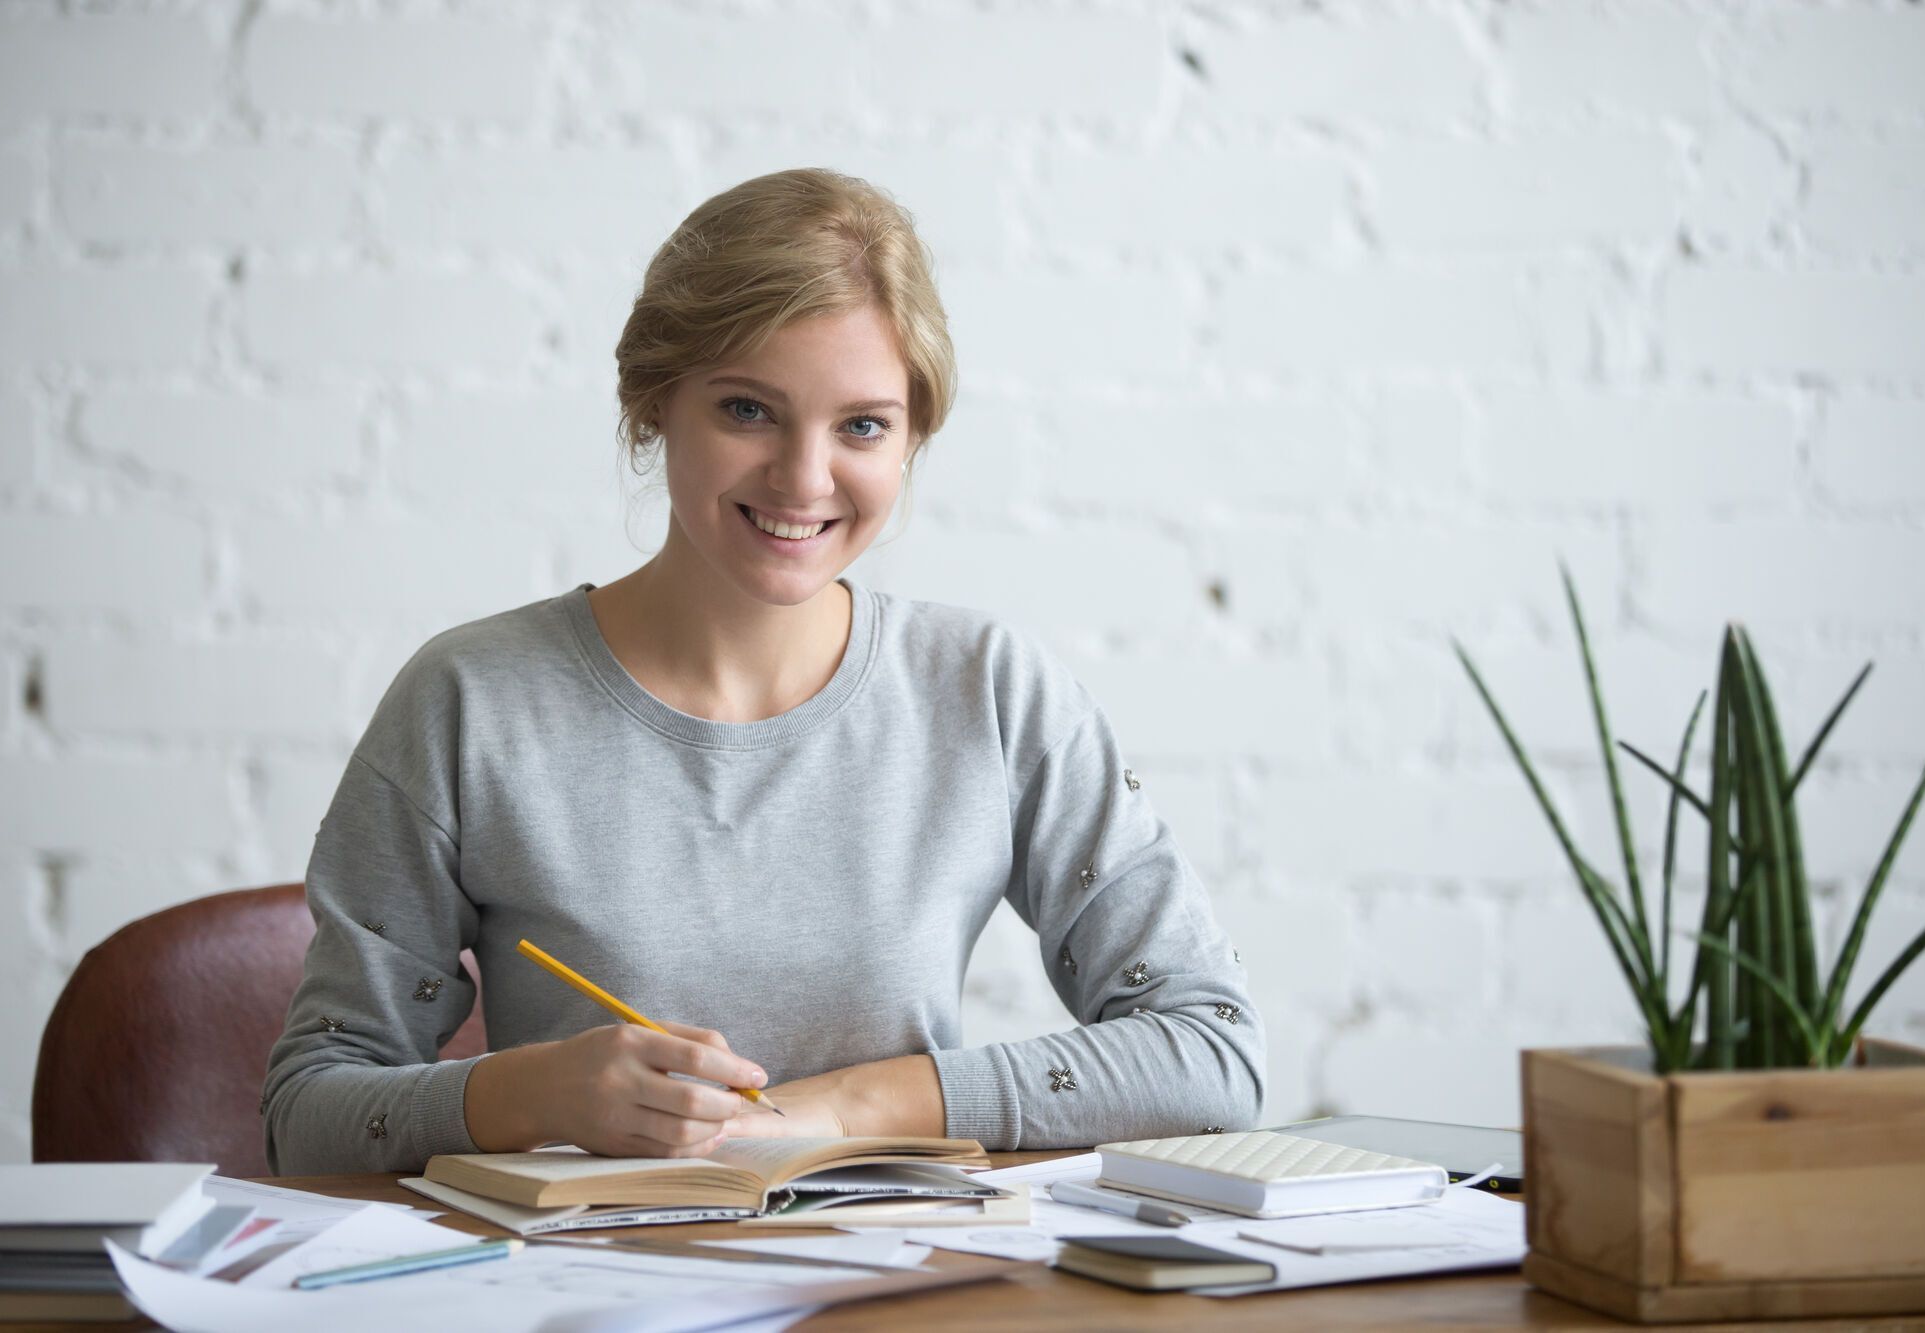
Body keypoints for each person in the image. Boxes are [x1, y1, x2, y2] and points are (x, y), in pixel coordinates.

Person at [262, 167, 1268, 1174]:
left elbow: (1210, 1050)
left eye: (862, 425)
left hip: (912, 1292)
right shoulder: (468, 702)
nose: (802, 478)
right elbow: (308, 1108)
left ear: (912, 433)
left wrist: (849, 1106)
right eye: (747, 410)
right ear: (653, 403)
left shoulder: (994, 691)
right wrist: (529, 1092)